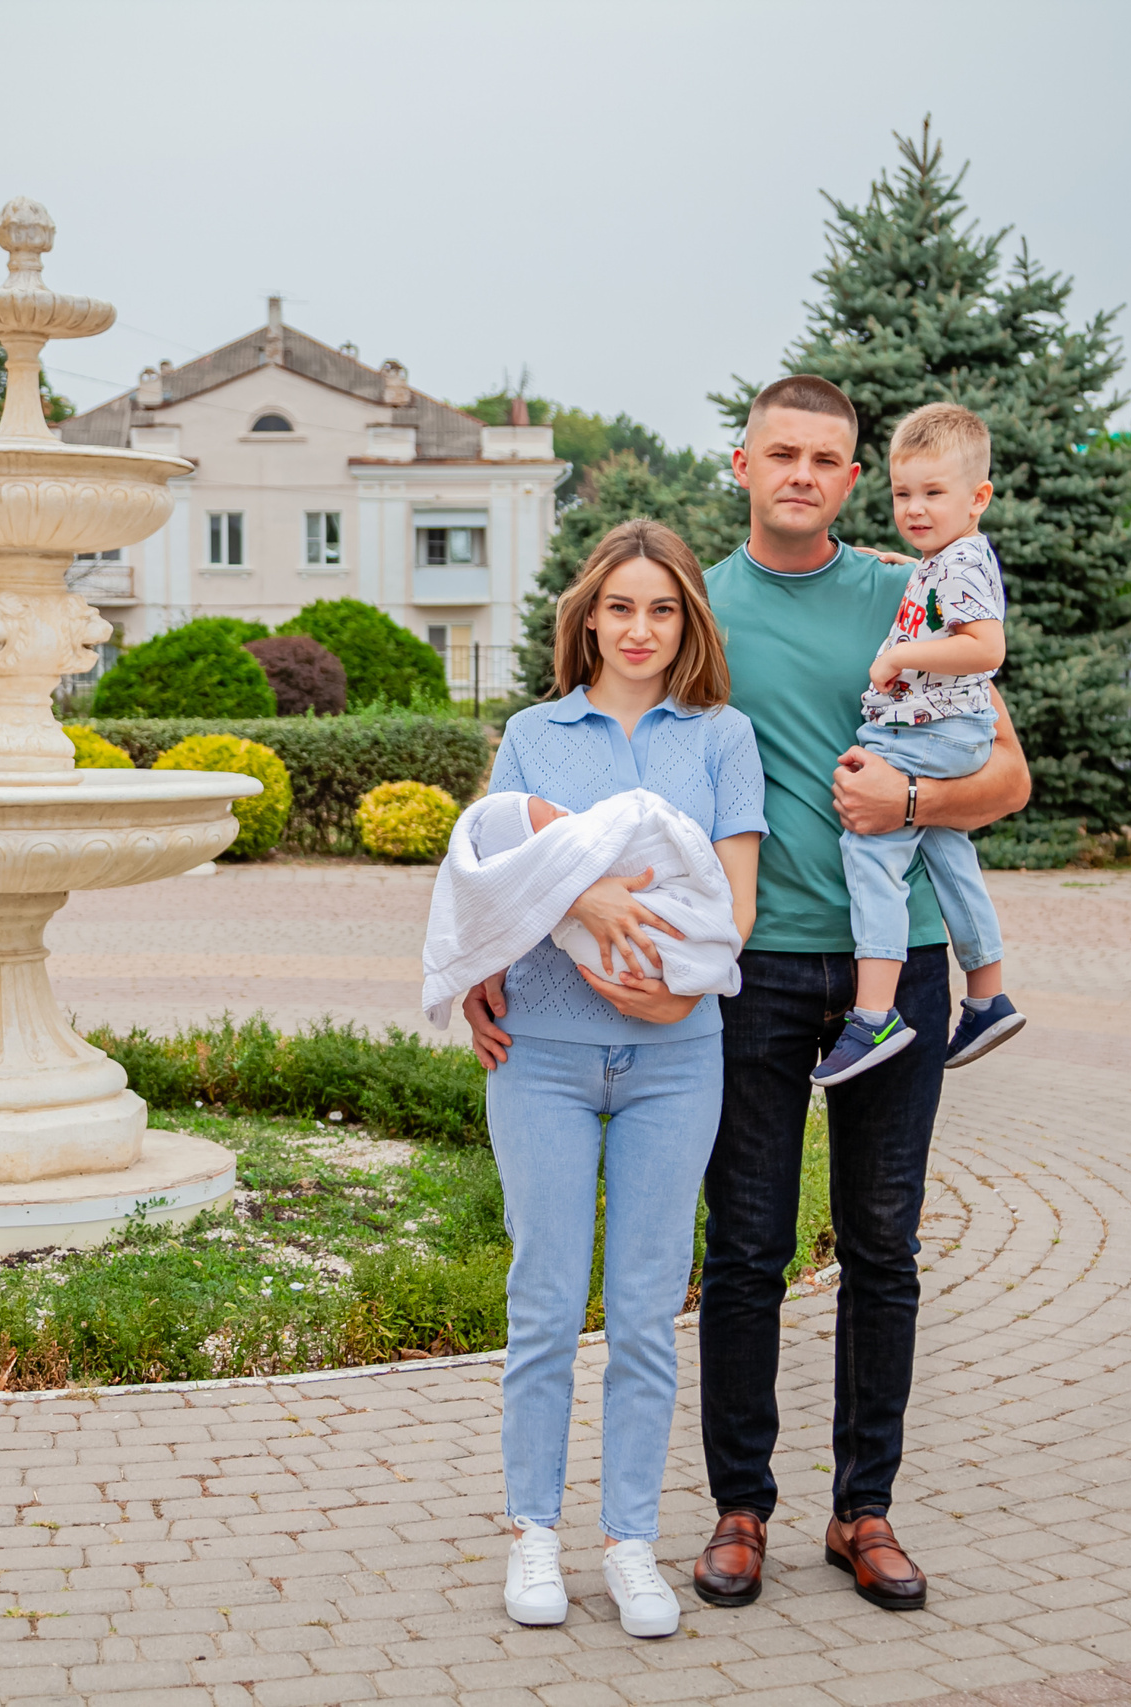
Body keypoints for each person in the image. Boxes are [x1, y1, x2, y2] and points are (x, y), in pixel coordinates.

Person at [689, 374, 1032, 1612]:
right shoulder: (695, 611)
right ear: (741, 464)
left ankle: (863, 1511)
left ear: (850, 478)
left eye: (826, 460)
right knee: (747, 1246)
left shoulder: (911, 588)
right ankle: (740, 1508)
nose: (802, 474)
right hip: (759, 966)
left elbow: (1007, 778)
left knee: (883, 1244)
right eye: (780, 454)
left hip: (906, 966)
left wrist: (914, 806)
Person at [457, 518, 765, 1640]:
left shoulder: (721, 737)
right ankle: (531, 1534)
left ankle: (630, 1542)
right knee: (543, 1303)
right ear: (587, 615)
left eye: (663, 609)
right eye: (621, 607)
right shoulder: (534, 734)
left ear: (688, 622)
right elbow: (489, 870)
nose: (639, 629)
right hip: (538, 1050)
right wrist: (573, 900)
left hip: (676, 1059)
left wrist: (687, 992)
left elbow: (737, 900)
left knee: (643, 1310)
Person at [813, 402, 1025, 1086]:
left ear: (978, 498)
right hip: (953, 732)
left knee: (871, 845)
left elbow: (986, 644)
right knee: (944, 850)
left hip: (932, 732)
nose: (915, 507)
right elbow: (954, 591)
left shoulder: (960, 563)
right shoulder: (952, 558)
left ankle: (873, 1013)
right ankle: (988, 995)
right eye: (904, 493)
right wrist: (914, 564)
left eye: (935, 493)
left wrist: (900, 655)